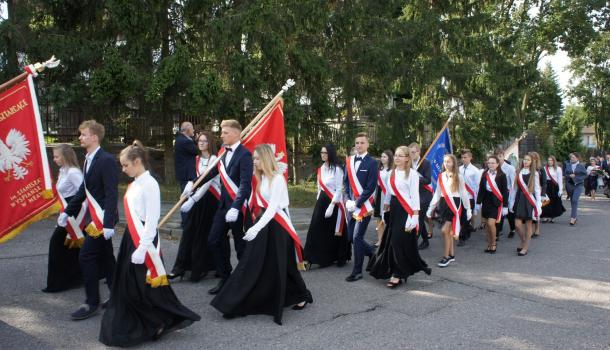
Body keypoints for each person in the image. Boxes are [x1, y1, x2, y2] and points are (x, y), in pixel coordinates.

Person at [100, 141, 200, 347]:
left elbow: (152, 220)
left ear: (137, 162)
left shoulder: (150, 184)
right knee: (131, 284)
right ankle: (148, 320)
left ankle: (159, 320)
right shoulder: (134, 183)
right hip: (132, 238)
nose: (123, 169)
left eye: (126, 165)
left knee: (143, 285)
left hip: (144, 239)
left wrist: (143, 247)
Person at [211, 144, 313, 325]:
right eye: (253, 159)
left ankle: (302, 295)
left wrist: (256, 228)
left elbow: (273, 208)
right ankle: (242, 299)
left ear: (265, 158)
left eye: (257, 159)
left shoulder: (277, 179)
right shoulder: (262, 177)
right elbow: (256, 202)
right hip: (264, 223)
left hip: (278, 226)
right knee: (261, 263)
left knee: (285, 264)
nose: (254, 162)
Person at [58, 120, 118, 320]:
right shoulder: (87, 159)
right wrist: (68, 211)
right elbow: (85, 190)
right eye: (80, 134)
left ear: (94, 137)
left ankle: (92, 302)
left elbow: (111, 194)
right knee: (107, 258)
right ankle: (119, 295)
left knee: (86, 256)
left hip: (102, 219)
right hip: (96, 216)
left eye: (83, 134)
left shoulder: (106, 159)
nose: (80, 137)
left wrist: (109, 223)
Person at [199, 119, 253, 295]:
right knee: (213, 241)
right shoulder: (223, 152)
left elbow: (246, 185)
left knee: (241, 248)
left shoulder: (245, 155)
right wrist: (194, 185)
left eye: (225, 132)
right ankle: (225, 277)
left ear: (236, 133)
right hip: (223, 206)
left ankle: (245, 283)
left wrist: (236, 207)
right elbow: (212, 173)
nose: (221, 135)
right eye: (221, 132)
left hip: (238, 209)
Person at [367, 146, 431, 288]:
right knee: (391, 241)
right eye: (396, 155)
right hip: (394, 209)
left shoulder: (413, 174)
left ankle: (397, 273)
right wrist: (385, 209)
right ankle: (398, 270)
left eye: (401, 156)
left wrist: (414, 216)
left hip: (406, 210)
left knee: (397, 240)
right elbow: (389, 193)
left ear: (407, 158)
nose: (397, 158)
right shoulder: (392, 173)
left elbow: (415, 196)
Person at [170, 131, 224, 281]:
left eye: (205, 141)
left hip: (211, 200)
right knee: (188, 232)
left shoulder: (215, 159)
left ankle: (204, 268)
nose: (201, 143)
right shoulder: (196, 159)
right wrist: (187, 192)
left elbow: (207, 182)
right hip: (196, 199)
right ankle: (179, 268)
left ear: (210, 143)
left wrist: (193, 199)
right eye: (199, 141)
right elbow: (192, 179)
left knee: (205, 234)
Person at [43, 144, 84, 293]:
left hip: (75, 213)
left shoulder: (73, 172)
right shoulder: (63, 171)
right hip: (67, 211)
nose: (54, 159)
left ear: (65, 156)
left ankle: (60, 282)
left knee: (57, 244)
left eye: (56, 156)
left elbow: (83, 193)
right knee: (70, 247)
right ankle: (71, 279)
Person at [303, 143, 350, 269]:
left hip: (333, 203)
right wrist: (318, 202)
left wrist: (332, 205)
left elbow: (339, 189)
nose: (323, 155)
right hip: (322, 203)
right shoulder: (321, 169)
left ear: (330, 153)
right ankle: (310, 257)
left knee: (333, 232)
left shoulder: (337, 169)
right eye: (322, 153)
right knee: (316, 229)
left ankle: (334, 256)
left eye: (325, 153)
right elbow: (319, 188)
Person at [426, 154, 472, 268]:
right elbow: (437, 193)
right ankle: (451, 255)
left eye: (449, 162)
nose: (446, 164)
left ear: (454, 163)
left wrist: (468, 208)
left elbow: (464, 194)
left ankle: (445, 257)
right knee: (449, 231)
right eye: (445, 161)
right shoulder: (441, 176)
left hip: (454, 206)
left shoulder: (459, 177)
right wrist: (431, 207)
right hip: (443, 204)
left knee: (444, 230)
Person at [344, 133, 378, 282]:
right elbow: (345, 184)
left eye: (362, 143)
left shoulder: (372, 162)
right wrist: (347, 201)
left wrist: (357, 203)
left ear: (367, 145)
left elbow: (370, 187)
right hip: (351, 206)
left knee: (357, 237)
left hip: (364, 206)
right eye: (357, 143)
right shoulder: (349, 161)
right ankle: (371, 252)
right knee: (351, 237)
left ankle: (357, 271)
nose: (359, 145)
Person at [509, 153, 542, 256]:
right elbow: (514, 189)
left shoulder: (534, 173)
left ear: (532, 162)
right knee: (517, 225)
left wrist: (538, 204)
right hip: (519, 199)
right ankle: (523, 240)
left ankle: (526, 246)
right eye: (524, 159)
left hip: (529, 200)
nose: (525, 161)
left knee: (528, 225)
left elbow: (537, 190)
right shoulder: (518, 172)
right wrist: (511, 202)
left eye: (528, 160)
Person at [476, 156, 508, 254]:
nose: (491, 165)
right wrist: (478, 202)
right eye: (489, 163)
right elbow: (481, 189)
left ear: (498, 164)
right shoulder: (485, 174)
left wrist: (505, 206)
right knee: (486, 224)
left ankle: (493, 243)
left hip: (496, 201)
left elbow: (504, 192)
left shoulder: (502, 175)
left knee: (491, 223)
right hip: (486, 200)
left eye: (493, 163)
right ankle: (489, 243)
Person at [409, 143, 433, 250]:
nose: (411, 154)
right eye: (410, 152)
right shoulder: (408, 163)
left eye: (413, 152)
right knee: (420, 218)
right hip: (412, 195)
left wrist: (415, 177)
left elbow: (428, 180)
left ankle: (412, 244)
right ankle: (426, 241)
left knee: (418, 218)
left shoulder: (425, 163)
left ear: (419, 152)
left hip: (424, 195)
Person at [457, 149, 480, 246]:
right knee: (461, 216)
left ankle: (462, 237)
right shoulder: (459, 169)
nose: (463, 159)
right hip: (460, 196)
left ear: (470, 158)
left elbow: (477, 186)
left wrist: (478, 201)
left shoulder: (475, 171)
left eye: (465, 157)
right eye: (462, 157)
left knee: (466, 217)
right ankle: (468, 229)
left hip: (470, 197)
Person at [494, 148, 516, 239]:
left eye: (500, 156)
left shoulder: (510, 168)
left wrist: (512, 198)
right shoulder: (494, 167)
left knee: (510, 213)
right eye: (497, 156)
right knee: (498, 213)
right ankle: (498, 232)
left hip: (507, 193)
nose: (498, 158)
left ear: (503, 156)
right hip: (496, 193)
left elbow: (513, 183)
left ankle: (512, 229)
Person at [373, 150, 393, 246]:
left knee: (387, 219)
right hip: (380, 194)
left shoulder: (392, 170)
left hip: (388, 196)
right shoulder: (379, 169)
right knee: (379, 218)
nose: (382, 158)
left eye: (385, 156)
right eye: (381, 156)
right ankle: (380, 240)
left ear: (389, 158)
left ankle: (387, 241)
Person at [564, 152, 587, 226]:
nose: (571, 159)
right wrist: (569, 175)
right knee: (572, 201)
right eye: (571, 157)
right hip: (570, 185)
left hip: (578, 185)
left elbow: (585, 175)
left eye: (573, 157)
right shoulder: (568, 165)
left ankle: (573, 218)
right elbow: (565, 174)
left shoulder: (581, 166)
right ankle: (574, 216)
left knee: (574, 200)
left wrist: (576, 177)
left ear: (577, 158)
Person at [541, 156, 566, 222]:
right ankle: (545, 216)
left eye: (551, 160)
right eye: (549, 160)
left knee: (554, 201)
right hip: (546, 186)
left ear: (554, 161)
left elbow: (560, 180)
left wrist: (560, 190)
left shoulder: (558, 169)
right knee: (545, 201)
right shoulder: (544, 168)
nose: (550, 162)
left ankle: (552, 217)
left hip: (554, 186)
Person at [530, 152, 547, 238]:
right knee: (530, 211)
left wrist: (542, 195)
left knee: (537, 210)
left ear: (536, 159)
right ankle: (531, 229)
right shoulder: (527, 168)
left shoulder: (540, 169)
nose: (531, 160)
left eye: (533, 158)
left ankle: (537, 229)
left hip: (537, 193)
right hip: (529, 193)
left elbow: (544, 183)